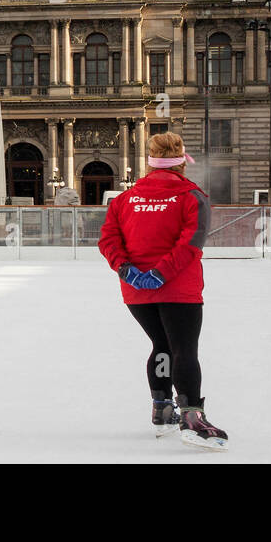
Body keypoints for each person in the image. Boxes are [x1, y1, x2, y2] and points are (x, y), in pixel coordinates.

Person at [98, 132, 227, 451]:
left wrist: (127, 269)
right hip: (178, 288)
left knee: (161, 344)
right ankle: (192, 416)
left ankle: (162, 409)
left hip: (137, 292)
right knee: (183, 348)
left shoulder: (125, 199)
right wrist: (161, 273)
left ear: (150, 161)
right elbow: (192, 242)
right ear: (182, 161)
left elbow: (108, 239)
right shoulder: (192, 195)